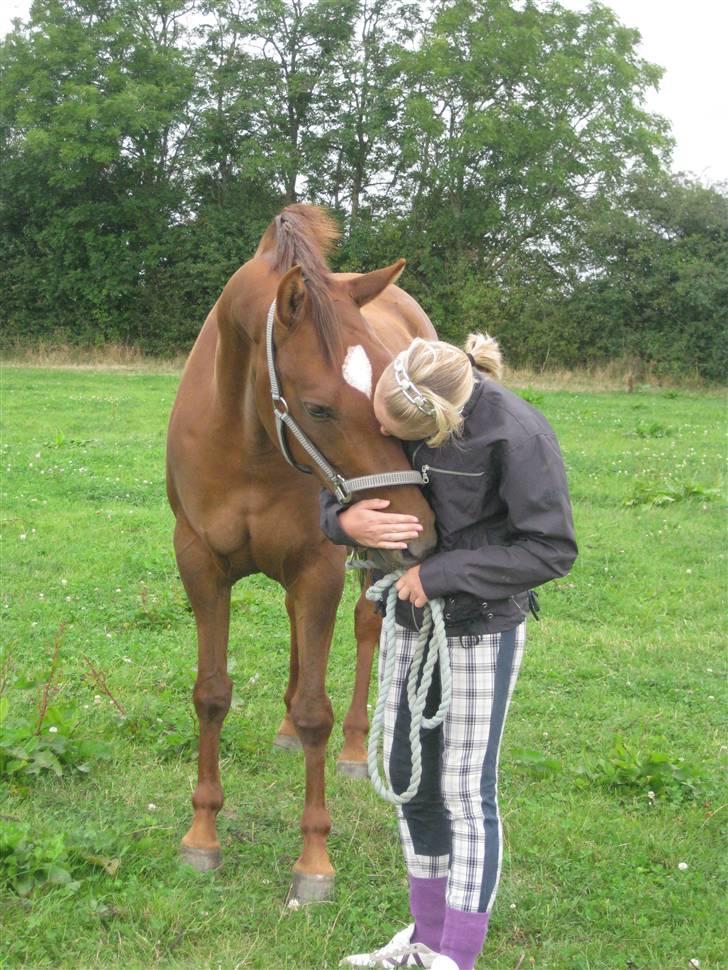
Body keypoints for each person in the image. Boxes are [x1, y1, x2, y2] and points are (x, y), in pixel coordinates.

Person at [320, 334, 577, 970]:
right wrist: (342, 522)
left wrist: (441, 575)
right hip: (407, 624)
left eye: (390, 427)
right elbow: (339, 477)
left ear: (440, 424)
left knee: (465, 790)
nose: (376, 427)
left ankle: (456, 958)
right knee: (411, 781)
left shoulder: (517, 434)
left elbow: (551, 549)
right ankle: (425, 940)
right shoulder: (389, 404)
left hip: (481, 628)